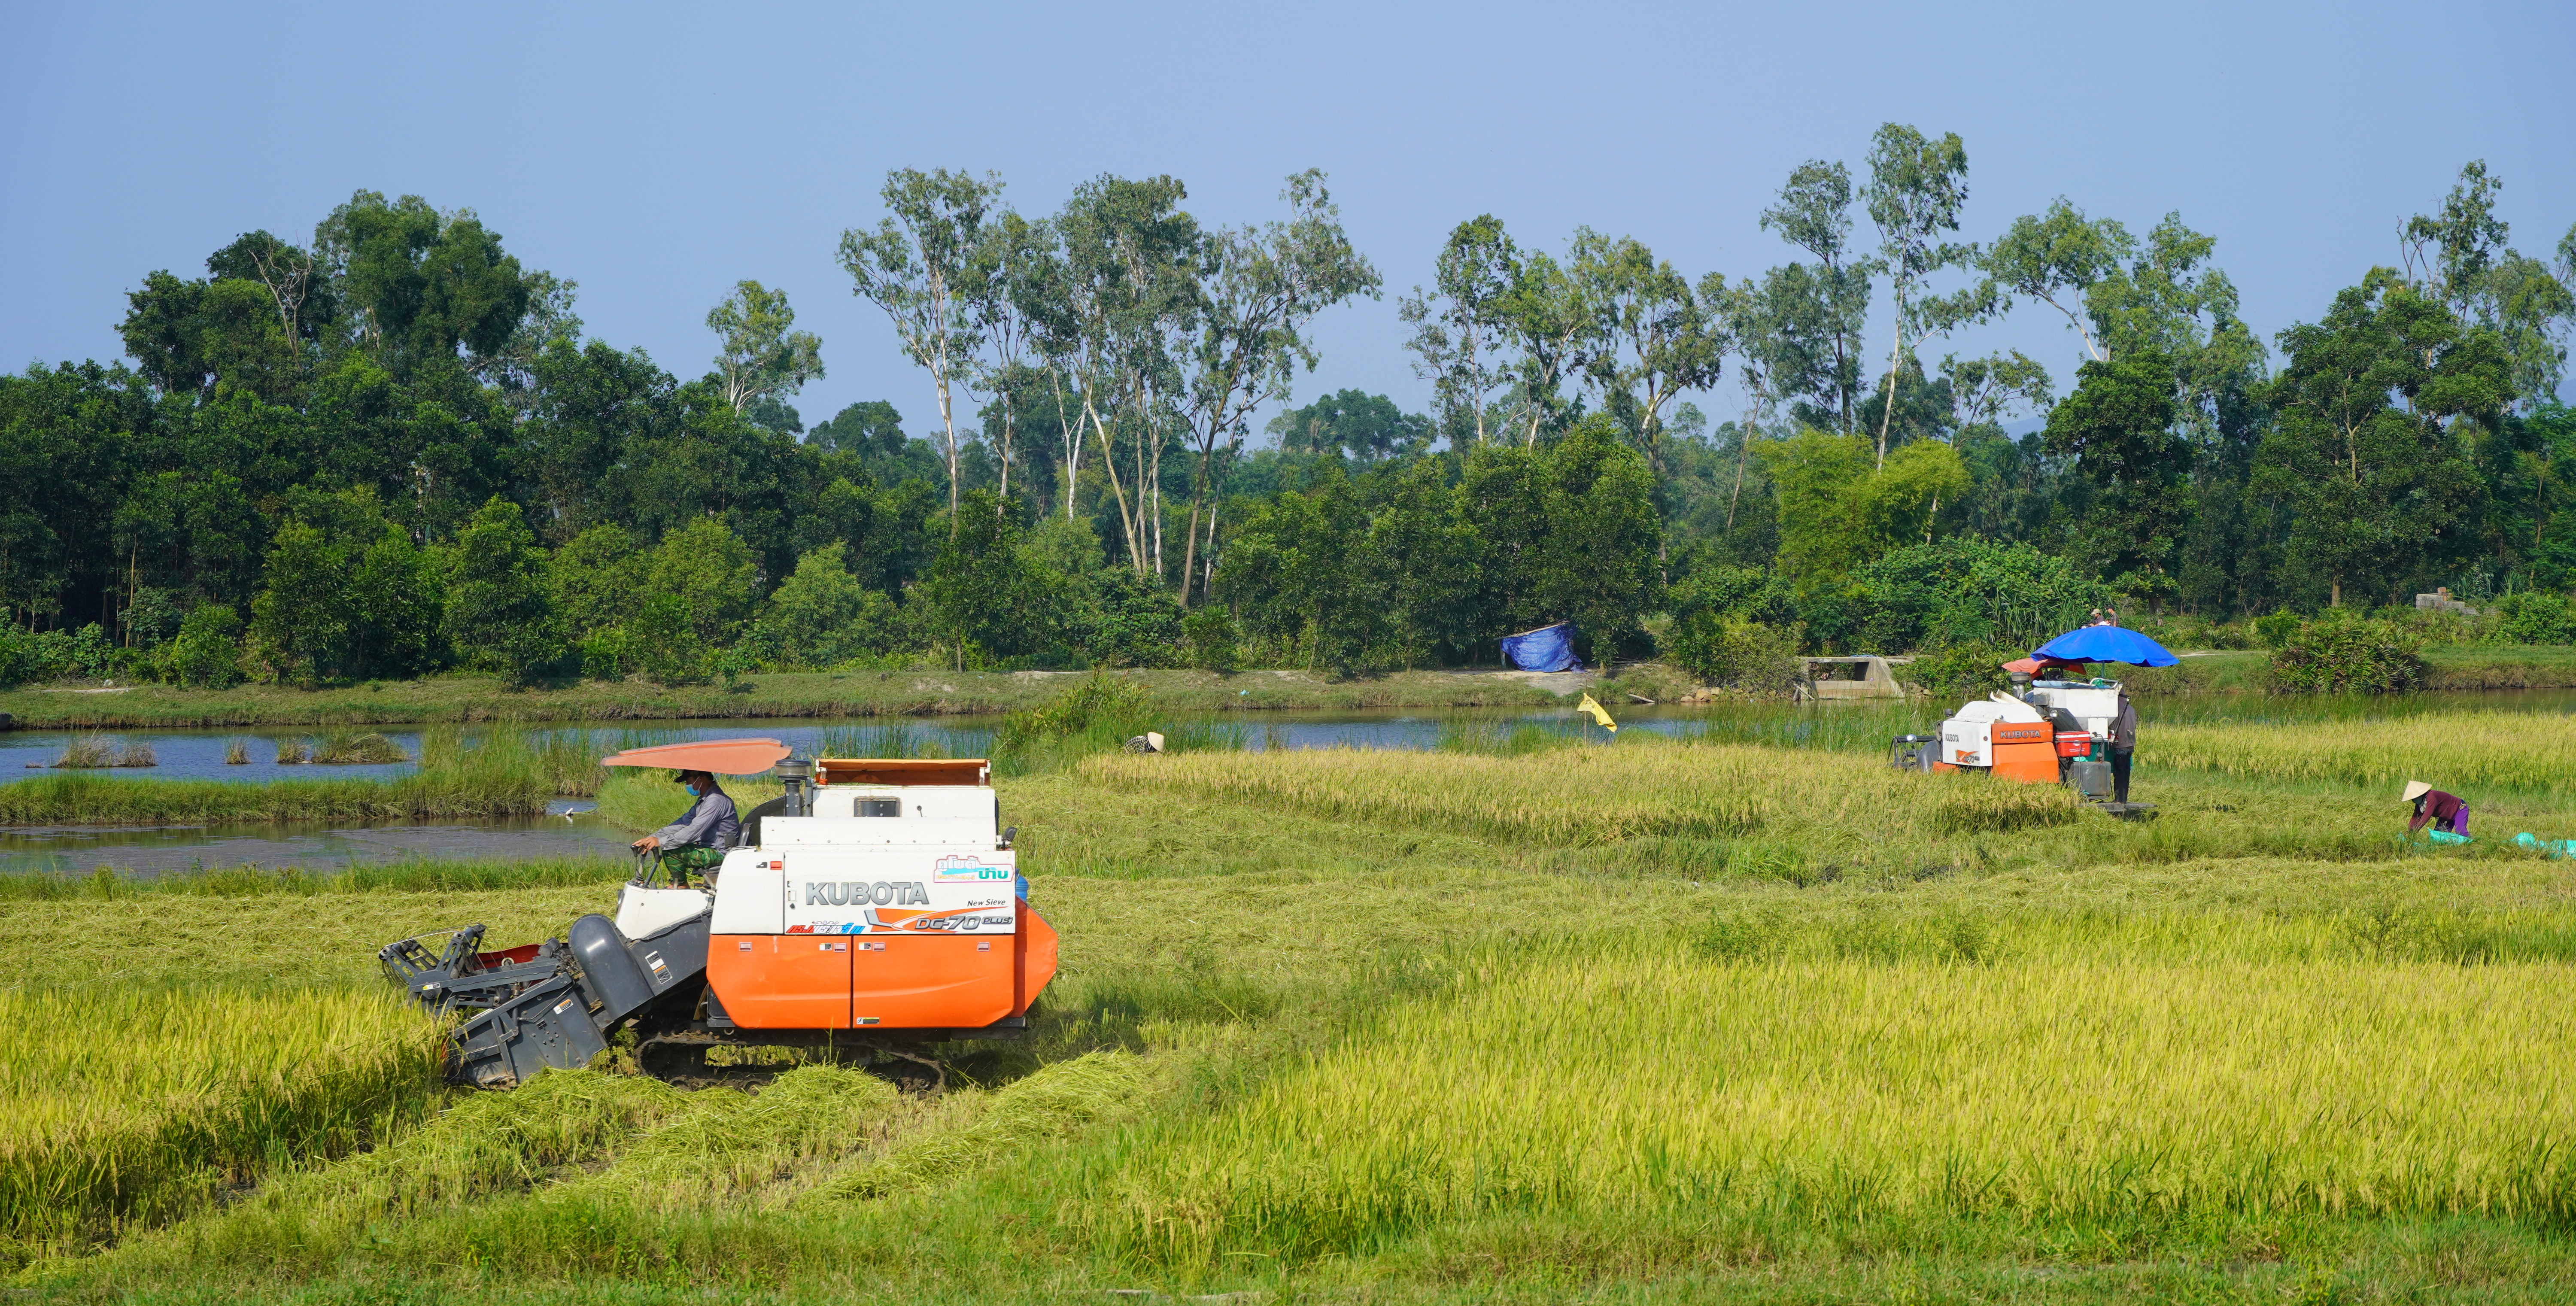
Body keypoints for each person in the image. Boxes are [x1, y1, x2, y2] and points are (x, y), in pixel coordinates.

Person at [632, 769, 738, 881]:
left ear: (700, 778)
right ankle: (678, 884)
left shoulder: (716, 801)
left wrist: (661, 842)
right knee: (671, 845)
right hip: (708, 847)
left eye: (688, 781)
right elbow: (682, 823)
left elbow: (694, 830)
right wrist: (651, 839)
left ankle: (680, 884)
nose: (687, 785)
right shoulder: (704, 800)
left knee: (672, 849)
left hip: (720, 852)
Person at [2403, 780, 2470, 838]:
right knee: (2438, 837)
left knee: (2460, 831)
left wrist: (2415, 830)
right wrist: (2410, 830)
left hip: (2460, 809)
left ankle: (2473, 842)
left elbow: (2427, 816)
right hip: (2445, 817)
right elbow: (2416, 817)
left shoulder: (2432, 796)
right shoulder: (2420, 804)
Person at [2108, 689, 2138, 802]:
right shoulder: (2131, 709)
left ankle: (2119, 800)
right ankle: (2124, 799)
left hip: (2121, 745)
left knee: (2119, 774)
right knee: (2126, 774)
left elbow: (2111, 727)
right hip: (2131, 744)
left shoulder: (2116, 710)